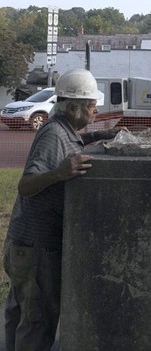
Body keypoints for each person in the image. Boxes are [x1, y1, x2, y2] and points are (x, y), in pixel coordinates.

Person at [3, 68, 121, 351]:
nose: (95, 111)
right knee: (37, 321)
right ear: (71, 107)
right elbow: (26, 185)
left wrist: (102, 134)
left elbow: (73, 143)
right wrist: (58, 173)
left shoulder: (62, 129)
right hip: (35, 248)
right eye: (91, 106)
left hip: (27, 244)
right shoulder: (54, 136)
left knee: (21, 314)